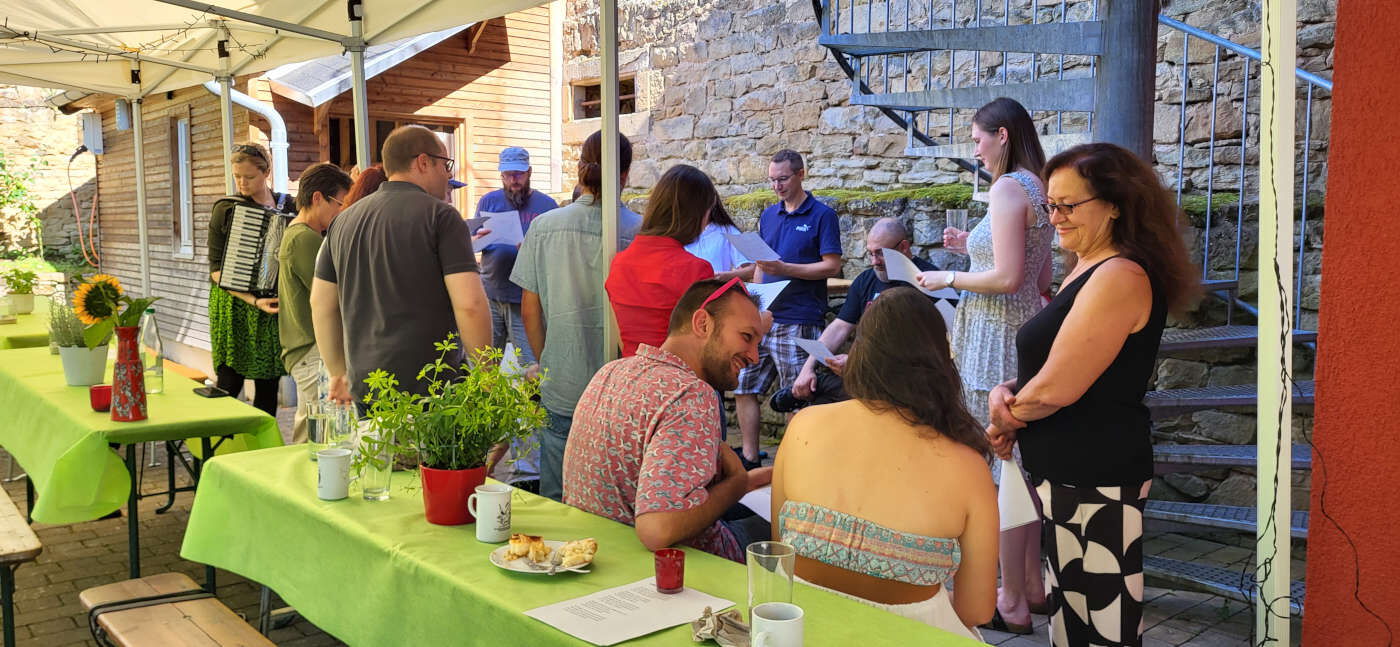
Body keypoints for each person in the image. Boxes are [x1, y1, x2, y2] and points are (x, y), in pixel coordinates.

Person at [987, 143, 1197, 647]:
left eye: (1067, 206)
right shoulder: (1088, 265)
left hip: (1097, 476)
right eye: (1050, 206)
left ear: (1116, 203)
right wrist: (1008, 391)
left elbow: (1059, 386)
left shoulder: (1119, 274)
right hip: (1070, 474)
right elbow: (1062, 364)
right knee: (1075, 621)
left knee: (1103, 626)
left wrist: (1004, 419)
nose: (1055, 217)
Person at [771, 287, 996, 639]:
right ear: (940, 360)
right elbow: (977, 609)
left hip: (807, 629)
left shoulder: (804, 425)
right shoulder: (968, 466)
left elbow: (778, 555)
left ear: (860, 353)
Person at [914, 96, 1055, 634]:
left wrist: (946, 278)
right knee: (1019, 469)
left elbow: (1006, 279)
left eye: (976, 139)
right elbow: (1037, 283)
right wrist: (966, 251)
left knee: (1000, 472)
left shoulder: (1006, 187)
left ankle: (1011, 598)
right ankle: (1032, 586)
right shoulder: (1038, 187)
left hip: (992, 340)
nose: (974, 150)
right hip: (1020, 331)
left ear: (1001, 134)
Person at [564, 278, 771, 561]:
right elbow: (658, 529)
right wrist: (737, 485)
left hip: (598, 556)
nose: (754, 356)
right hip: (676, 575)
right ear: (702, 324)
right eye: (747, 337)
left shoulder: (611, 372)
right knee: (785, 534)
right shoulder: (692, 394)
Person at [311, 125, 492, 404]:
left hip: (368, 388)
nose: (449, 174)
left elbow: (321, 304)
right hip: (433, 391)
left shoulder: (342, 221)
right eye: (446, 165)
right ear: (423, 162)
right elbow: (470, 305)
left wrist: (339, 372)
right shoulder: (441, 216)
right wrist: (487, 376)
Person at [511, 130, 642, 501]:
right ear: (625, 174)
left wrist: (546, 359)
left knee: (556, 490)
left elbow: (529, 308)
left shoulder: (544, 226)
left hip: (563, 378)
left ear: (581, 171)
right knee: (618, 494)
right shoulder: (640, 231)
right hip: (622, 386)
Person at [734, 149, 842, 469]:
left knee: (797, 394)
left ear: (800, 175)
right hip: (765, 317)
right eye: (772, 180)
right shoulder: (769, 215)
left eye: (782, 179)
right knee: (743, 384)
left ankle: (796, 465)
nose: (777, 186)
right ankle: (751, 458)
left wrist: (786, 269)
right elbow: (761, 265)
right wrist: (754, 305)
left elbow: (831, 266)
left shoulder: (822, 215)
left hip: (800, 317)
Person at [782, 218, 940, 410]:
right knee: (818, 394)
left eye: (881, 254)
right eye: (870, 254)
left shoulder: (931, 281)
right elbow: (840, 326)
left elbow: (928, 346)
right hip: (865, 374)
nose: (874, 262)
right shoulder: (866, 279)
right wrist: (808, 369)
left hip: (907, 380)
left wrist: (860, 363)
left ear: (904, 247)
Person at [206, 143, 294, 416]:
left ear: (266, 172)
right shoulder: (226, 208)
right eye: (237, 176)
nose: (242, 183)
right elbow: (216, 269)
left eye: (249, 176)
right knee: (229, 384)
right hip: (235, 304)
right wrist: (253, 300)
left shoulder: (290, 205)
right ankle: (219, 448)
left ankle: (262, 450)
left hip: (272, 306)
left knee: (268, 385)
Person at [606, 164, 719, 357]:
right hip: (677, 377)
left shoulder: (619, 262)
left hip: (632, 374)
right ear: (697, 215)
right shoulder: (696, 270)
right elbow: (709, 343)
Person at [277, 162, 351, 443]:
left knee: (315, 430)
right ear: (318, 197)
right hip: (311, 348)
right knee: (314, 436)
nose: (340, 212)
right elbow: (332, 297)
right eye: (339, 203)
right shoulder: (305, 238)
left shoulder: (299, 234)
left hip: (305, 348)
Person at [475, 147, 559, 366]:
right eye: (508, 174)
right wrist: (477, 239)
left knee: (532, 365)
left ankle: (533, 401)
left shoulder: (547, 206)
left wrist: (531, 250)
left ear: (529, 172)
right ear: (501, 175)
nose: (514, 180)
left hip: (527, 299)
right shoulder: (487, 202)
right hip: (491, 293)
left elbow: (556, 254)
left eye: (519, 174)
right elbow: (474, 243)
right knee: (485, 367)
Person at [684, 196, 753, 282]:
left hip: (716, 291)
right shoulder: (678, 233)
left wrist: (724, 276)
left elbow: (752, 269)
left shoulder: (729, 230)